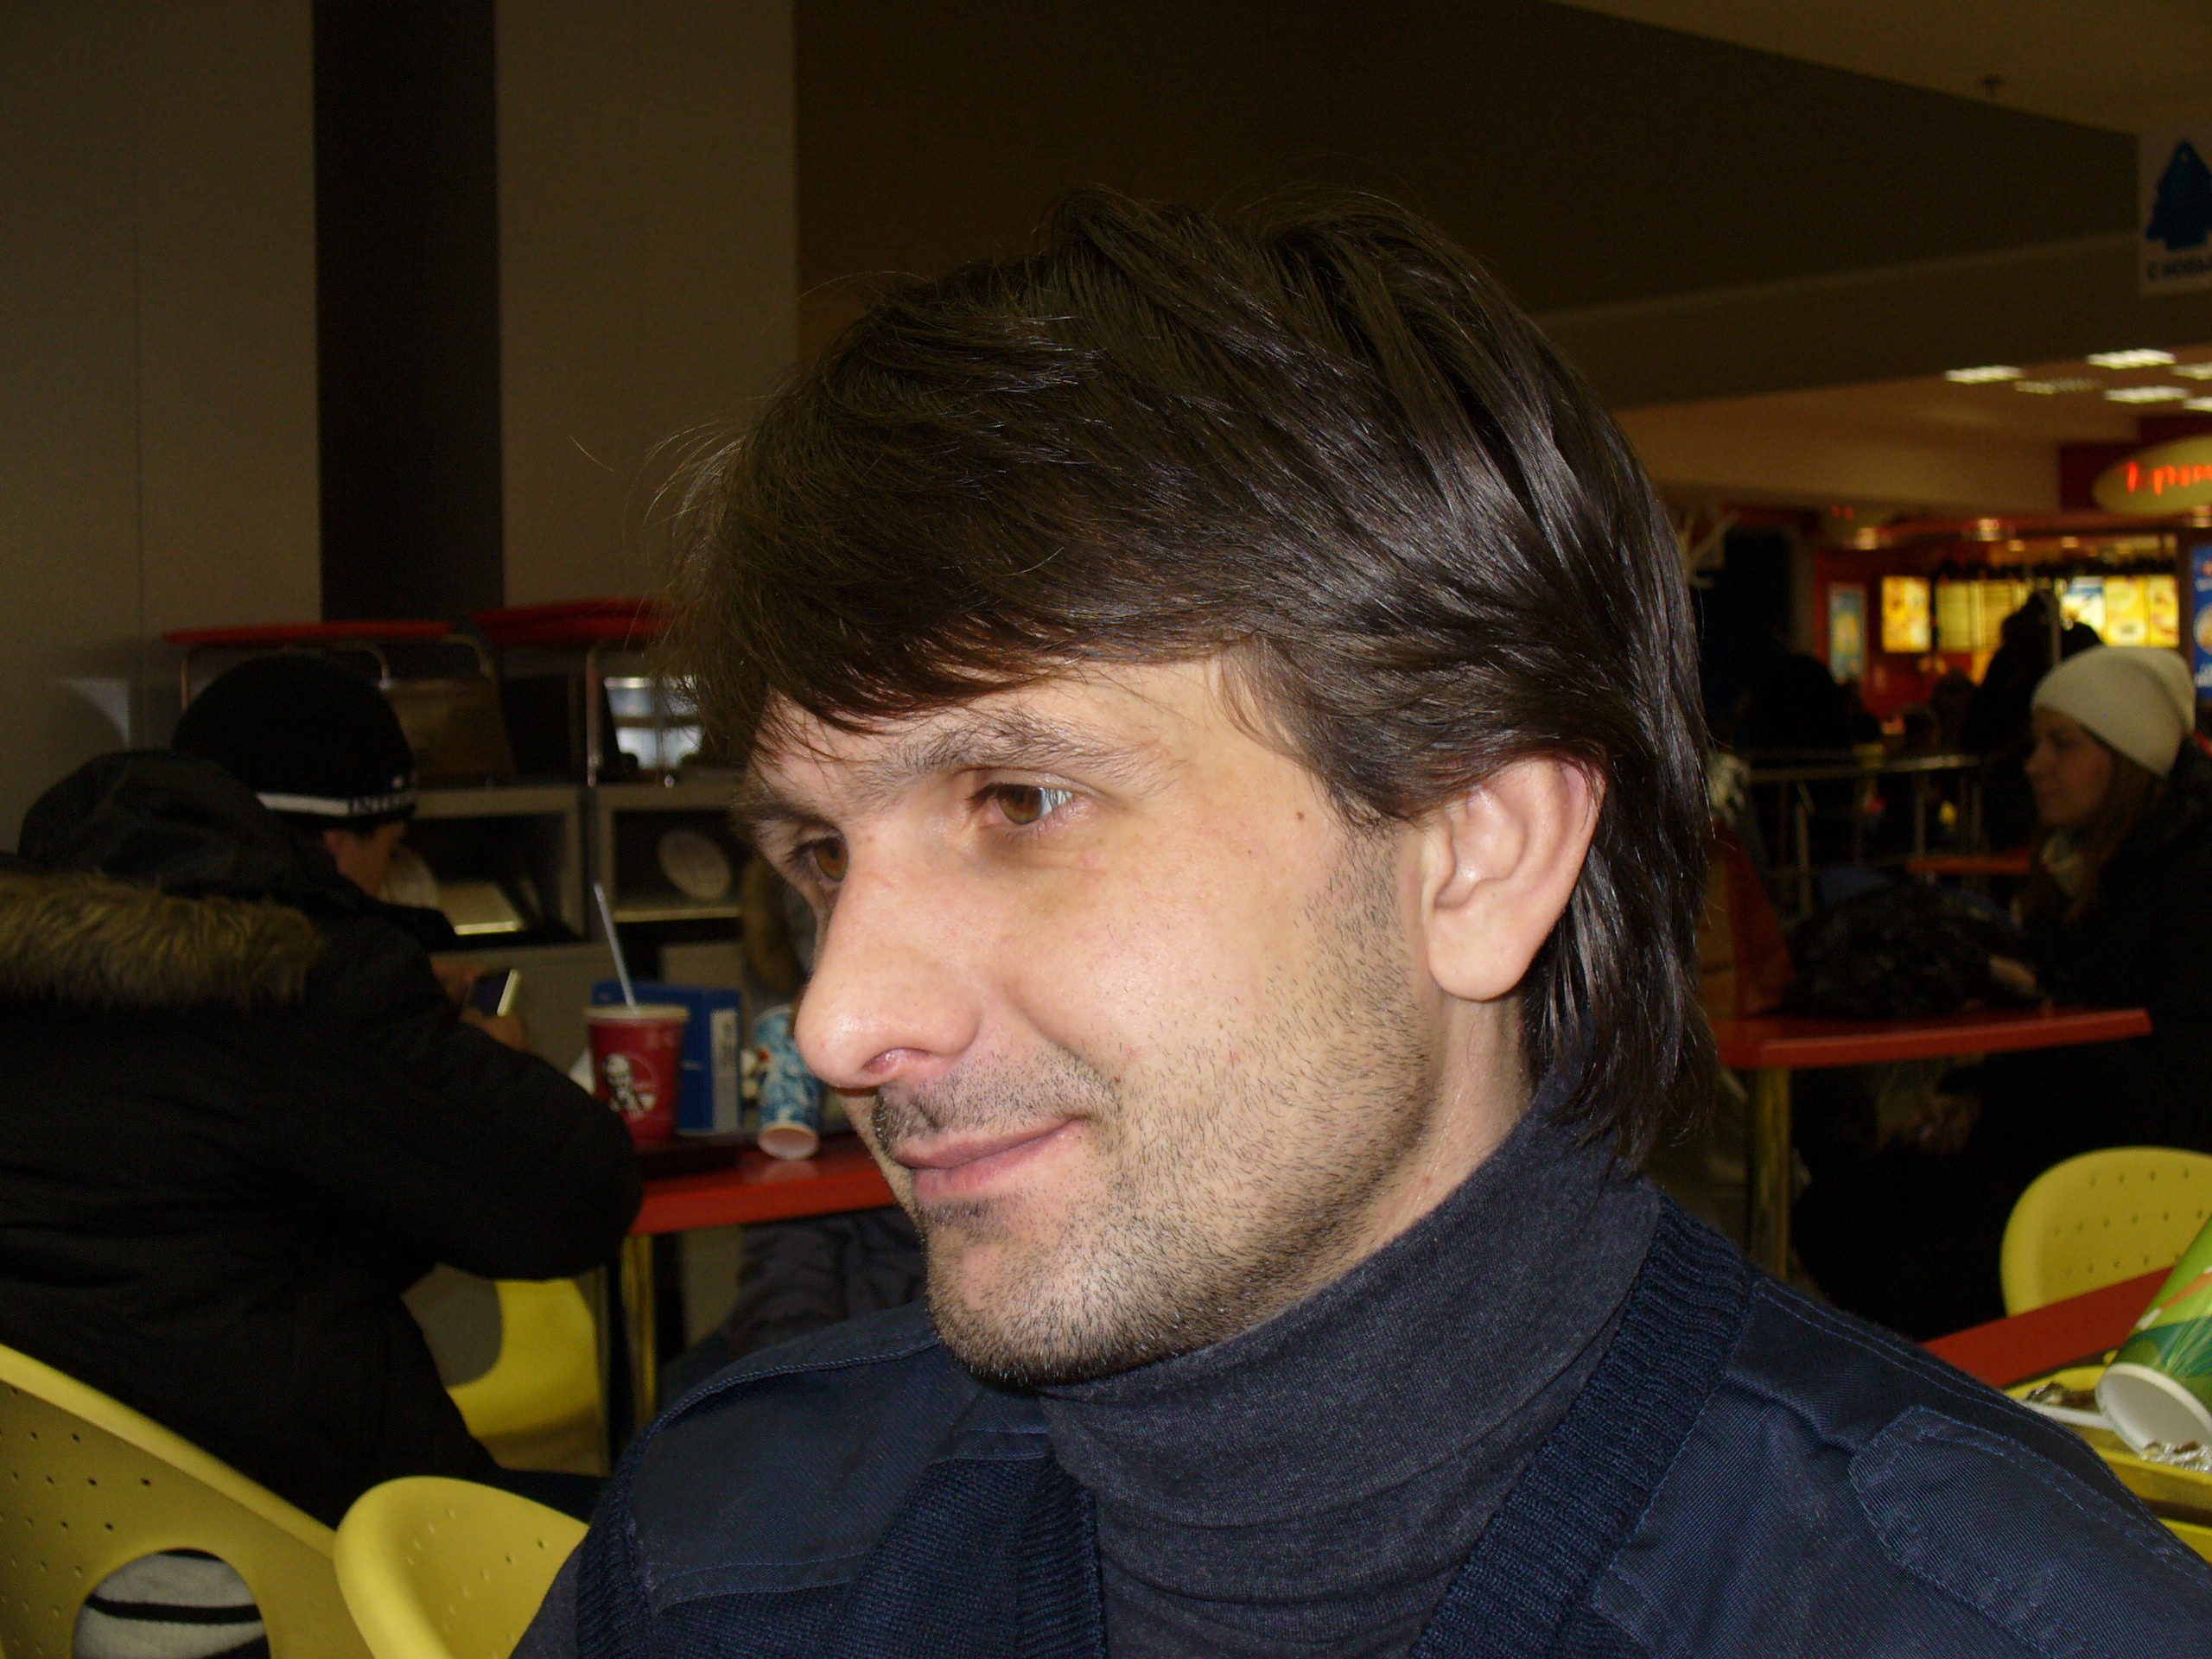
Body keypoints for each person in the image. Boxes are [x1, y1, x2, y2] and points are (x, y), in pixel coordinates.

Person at [528, 192, 2212, 1658]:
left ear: (1476, 854)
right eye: (821, 855)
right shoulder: (716, 1561)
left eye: (1020, 802)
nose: (839, 1021)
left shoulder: (1983, 1622)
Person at [0, 653, 641, 1529]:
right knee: (662, 1538)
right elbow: (579, 1198)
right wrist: (462, 1054)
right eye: (391, 850)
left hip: (55, 1536)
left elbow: (243, 1234)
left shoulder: (34, 973)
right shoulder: (302, 993)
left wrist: (399, 1030)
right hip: (303, 1538)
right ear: (334, 847)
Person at [1797, 645, 2212, 1338]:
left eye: (2062, 744)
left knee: (1882, 1241)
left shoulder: (2188, 882)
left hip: (2124, 1178)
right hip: (2057, 1140)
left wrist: (2042, 1017)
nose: (2035, 765)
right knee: (1838, 1211)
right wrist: (1972, 1092)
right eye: (2035, 744)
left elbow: (2180, 1097)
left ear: (2126, 758)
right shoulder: (2079, 865)